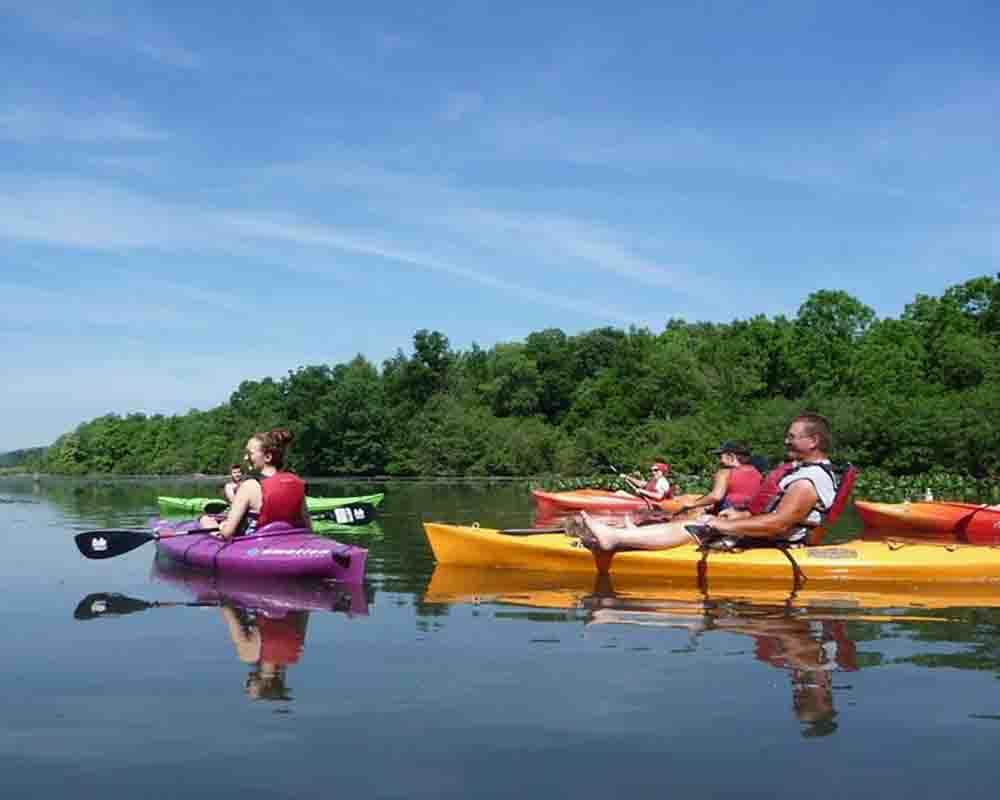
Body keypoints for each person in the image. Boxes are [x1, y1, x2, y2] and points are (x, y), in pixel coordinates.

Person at [576, 413, 837, 551]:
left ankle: (615, 538)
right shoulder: (807, 473)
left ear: (812, 441)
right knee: (703, 522)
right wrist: (740, 514)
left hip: (779, 543)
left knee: (695, 525)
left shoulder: (807, 481)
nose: (786, 441)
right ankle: (632, 536)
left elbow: (778, 523)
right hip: (775, 536)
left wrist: (722, 523)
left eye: (791, 437)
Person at [199, 428, 311, 539]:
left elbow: (227, 533)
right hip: (290, 541)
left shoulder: (249, 486)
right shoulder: (296, 483)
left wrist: (221, 526)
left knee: (205, 519)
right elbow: (308, 527)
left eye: (249, 453)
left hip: (256, 544)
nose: (245, 457)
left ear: (267, 457)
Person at [680, 442, 763, 514]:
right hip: (749, 513)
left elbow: (716, 496)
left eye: (720, 457)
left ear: (731, 456)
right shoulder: (757, 473)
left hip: (728, 514)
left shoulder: (724, 473)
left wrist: (692, 504)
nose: (720, 461)